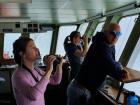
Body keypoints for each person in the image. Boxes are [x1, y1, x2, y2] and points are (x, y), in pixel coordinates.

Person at [67, 23, 129, 105]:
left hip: (85, 89)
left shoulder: (109, 45)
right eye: (113, 33)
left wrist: (116, 66)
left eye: (118, 34)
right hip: (80, 90)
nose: (115, 37)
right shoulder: (101, 45)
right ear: (106, 32)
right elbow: (112, 66)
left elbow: (110, 63)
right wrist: (119, 65)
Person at [12, 37, 64, 105]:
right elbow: (33, 95)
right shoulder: (17, 75)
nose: (37, 49)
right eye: (32, 47)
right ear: (22, 54)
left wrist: (59, 65)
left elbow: (55, 80)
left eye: (36, 47)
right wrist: (49, 70)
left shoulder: (36, 70)